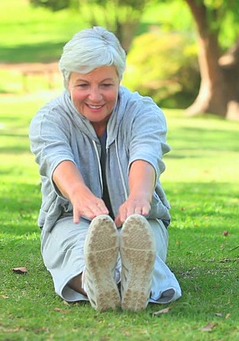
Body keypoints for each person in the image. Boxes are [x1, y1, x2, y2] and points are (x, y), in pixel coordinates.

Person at [29, 26, 182, 312]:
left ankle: (132, 279)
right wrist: (78, 194)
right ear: (67, 81)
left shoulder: (144, 112)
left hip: (139, 219)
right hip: (69, 219)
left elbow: (145, 153)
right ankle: (95, 282)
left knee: (139, 242)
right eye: (83, 85)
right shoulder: (48, 119)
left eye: (106, 85)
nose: (95, 96)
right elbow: (56, 157)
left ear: (120, 79)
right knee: (78, 247)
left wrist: (139, 196)